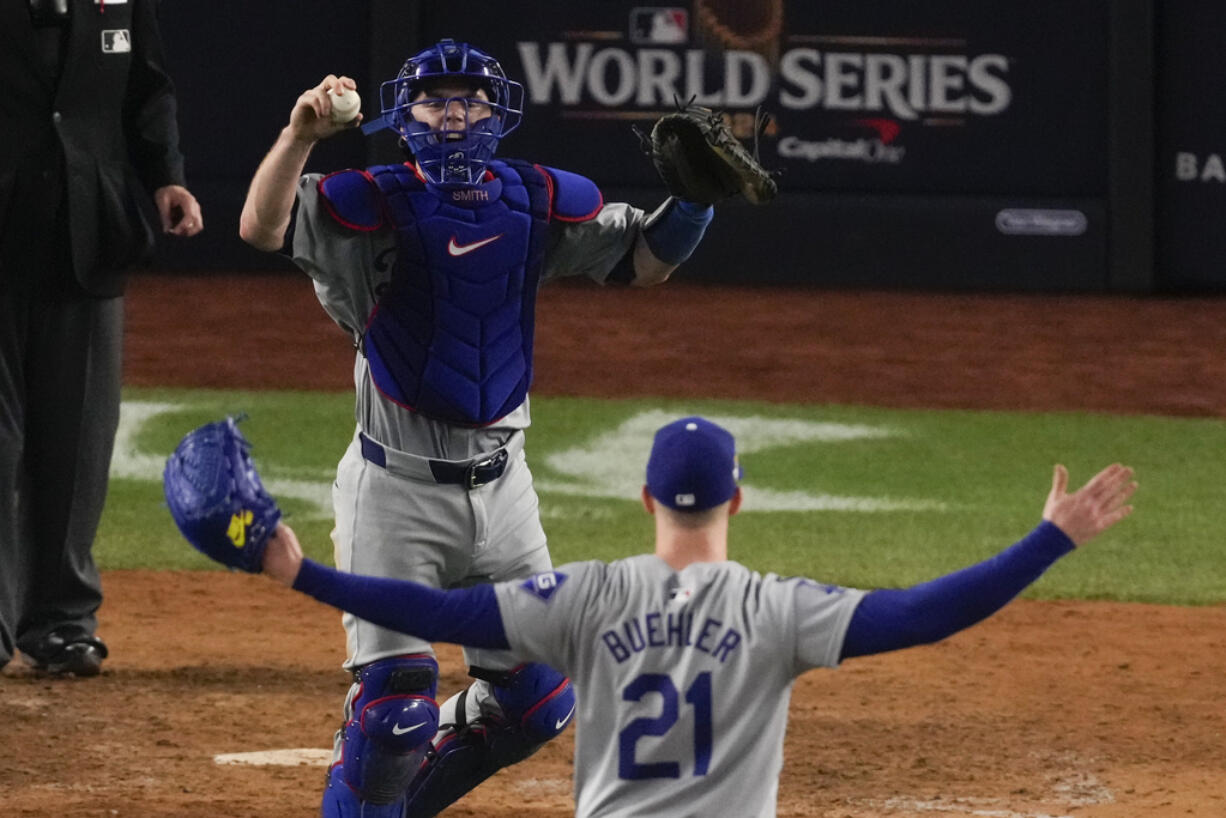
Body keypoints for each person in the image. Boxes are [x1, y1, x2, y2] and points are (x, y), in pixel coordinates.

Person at [237, 39, 719, 817]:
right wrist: (300, 135)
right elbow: (263, 227)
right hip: (395, 491)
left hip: (505, 492)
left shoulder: (528, 201)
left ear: (497, 114)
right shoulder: (371, 205)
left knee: (537, 703)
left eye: (471, 100)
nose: (454, 114)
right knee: (395, 711)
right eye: (436, 100)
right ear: (405, 114)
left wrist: (695, 201)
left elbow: (642, 261)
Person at [249, 415, 1136, 817]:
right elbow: (924, 615)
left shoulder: (587, 600)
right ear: (737, 501)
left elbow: (428, 606)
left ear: (643, 498)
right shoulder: (776, 611)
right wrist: (1048, 539)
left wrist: (304, 573)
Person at [1, 0, 203, 677]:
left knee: (76, 441)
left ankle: (60, 623)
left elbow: (148, 91)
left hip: (85, 235)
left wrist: (166, 176)